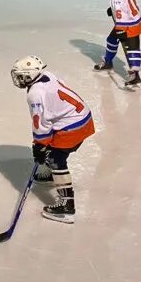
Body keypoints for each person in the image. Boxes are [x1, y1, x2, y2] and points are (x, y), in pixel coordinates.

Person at [10, 56, 94, 224]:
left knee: (55, 159)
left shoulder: (34, 94)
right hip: (83, 118)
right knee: (51, 149)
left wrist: (39, 146)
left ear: (30, 75)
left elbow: (41, 123)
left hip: (73, 127)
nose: (18, 79)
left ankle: (66, 207)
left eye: (21, 76)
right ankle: (51, 176)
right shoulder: (47, 75)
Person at [94, 0, 141, 87]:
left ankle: (135, 76)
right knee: (111, 39)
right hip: (133, 19)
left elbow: (121, 9)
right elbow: (125, 2)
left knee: (132, 48)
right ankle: (108, 62)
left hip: (128, 23)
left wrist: (121, 29)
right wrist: (112, 9)